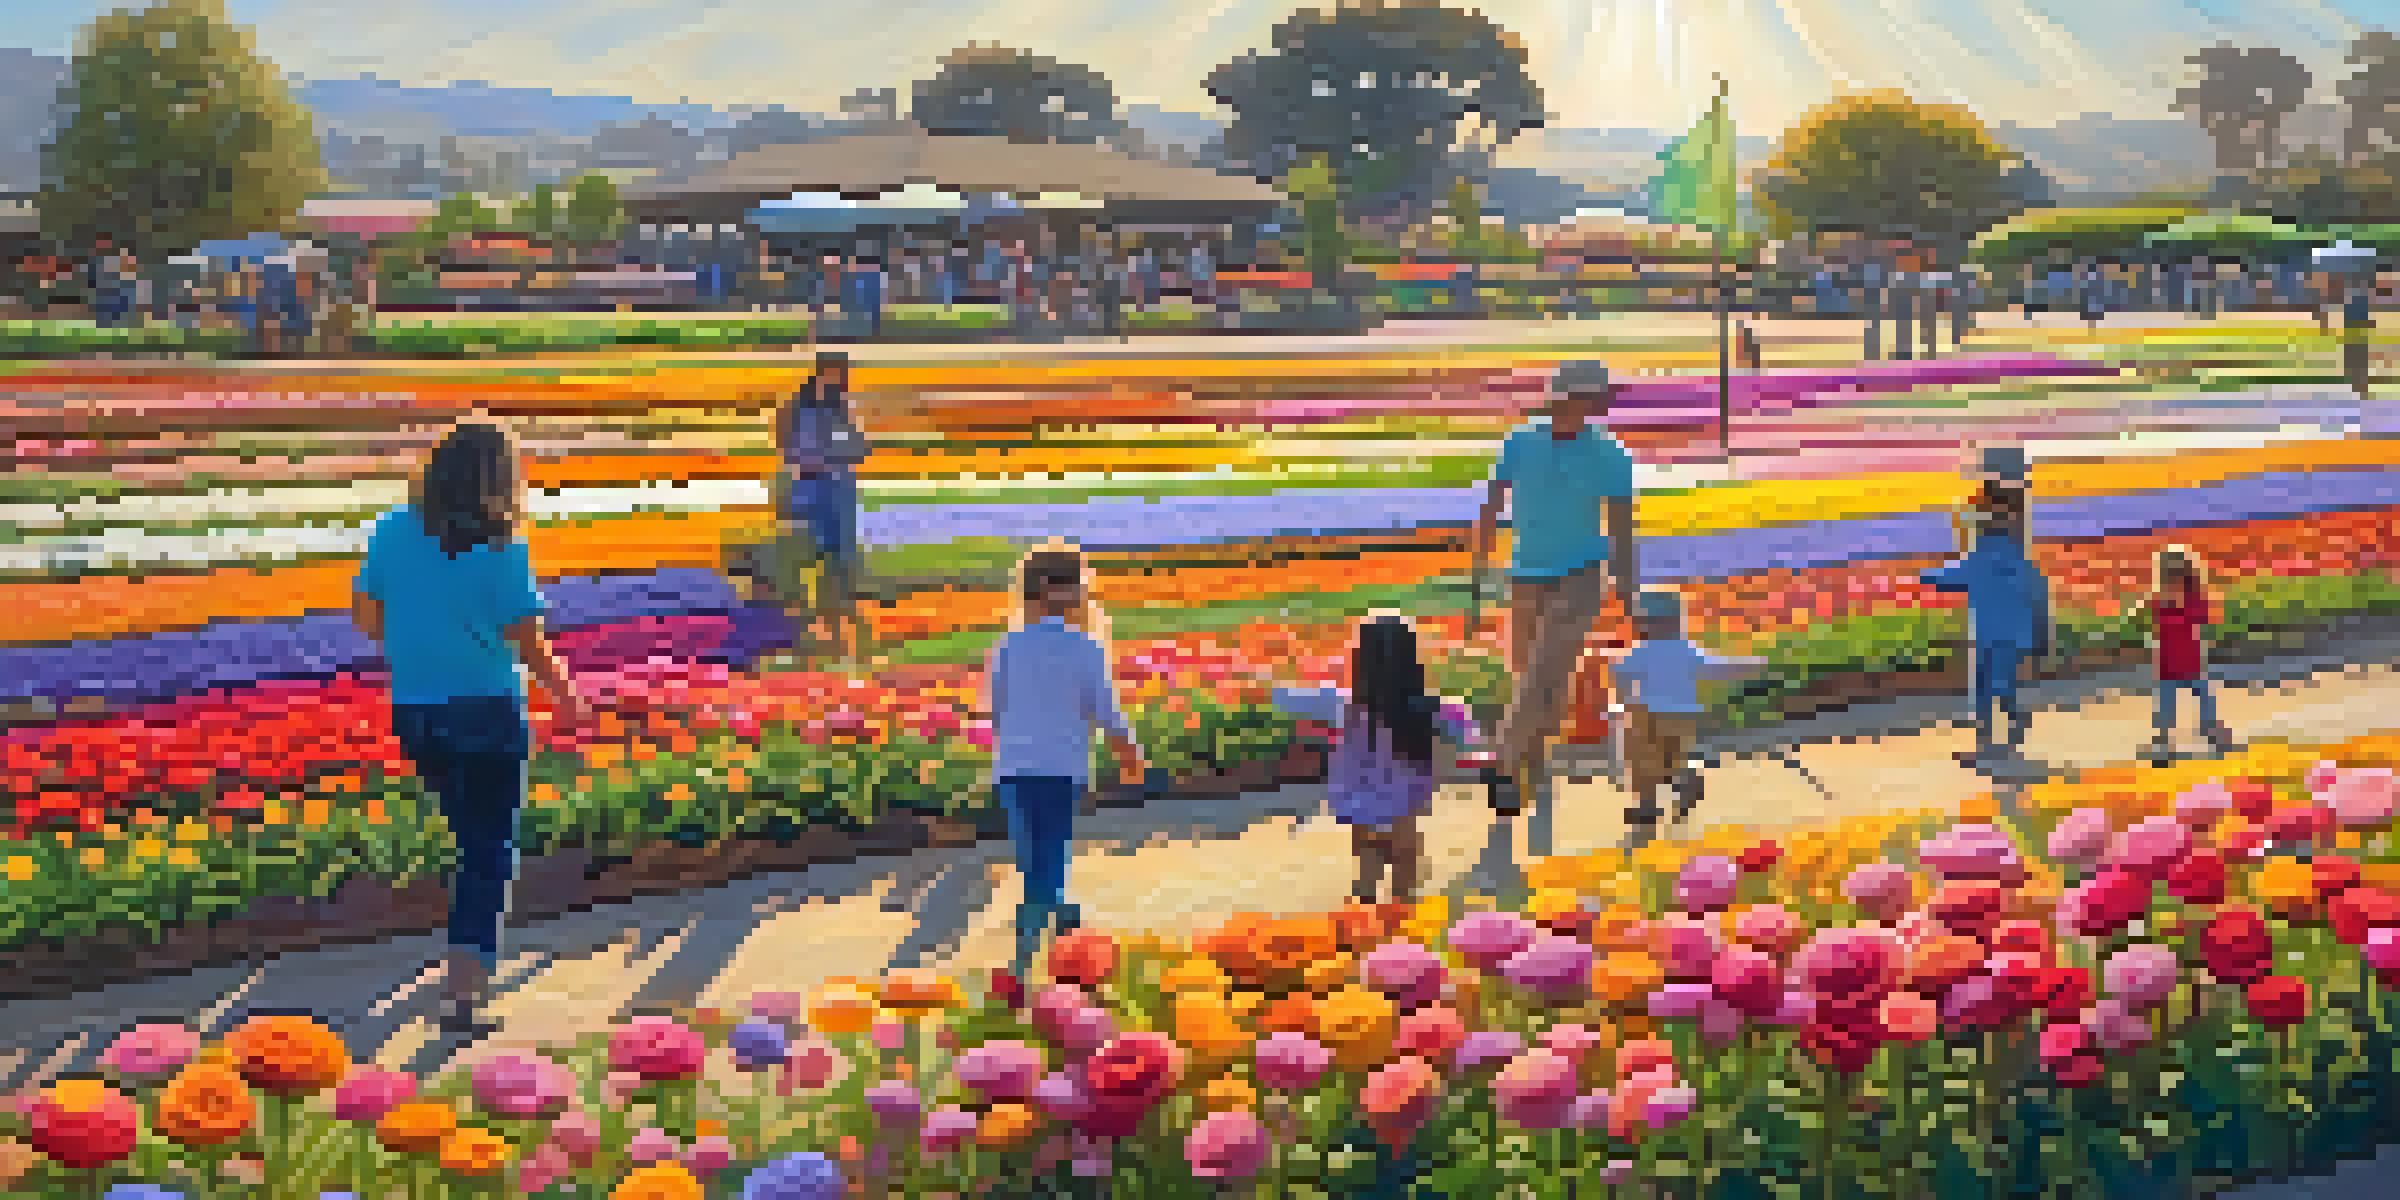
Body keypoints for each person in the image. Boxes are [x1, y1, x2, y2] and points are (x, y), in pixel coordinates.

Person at [351, 423, 591, 1032]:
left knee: (470, 837)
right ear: (496, 480)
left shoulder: (391, 531)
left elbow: (367, 620)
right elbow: (527, 640)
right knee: (488, 851)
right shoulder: (503, 545)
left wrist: (421, 635)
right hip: (485, 707)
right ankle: (463, 993)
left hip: (415, 708)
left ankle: (466, 946)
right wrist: (566, 694)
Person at [1474, 359, 1639, 814]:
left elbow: (1622, 525)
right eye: (1590, 395)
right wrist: (1478, 574)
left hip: (1582, 573)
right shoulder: (1522, 442)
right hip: (1526, 573)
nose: (1597, 404)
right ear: (1566, 397)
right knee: (1531, 676)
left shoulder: (1608, 452)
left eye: (1598, 397)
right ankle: (1533, 765)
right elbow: (1492, 504)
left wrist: (1627, 585)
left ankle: (1503, 763)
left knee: (1545, 669)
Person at [985, 541, 1147, 975]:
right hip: (1061, 768)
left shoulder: (1007, 646)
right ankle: (1043, 946)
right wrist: (1131, 755)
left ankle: (1040, 938)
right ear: (1079, 594)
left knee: (1032, 856)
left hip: (1014, 769)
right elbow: (1107, 712)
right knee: (1049, 857)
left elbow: (995, 709)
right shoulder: (1085, 648)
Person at [1274, 614, 1484, 904]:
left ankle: (1363, 922)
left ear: (1360, 662)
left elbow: (1286, 698)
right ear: (1412, 662)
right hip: (1403, 808)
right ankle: (1401, 924)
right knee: (1405, 871)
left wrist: (1268, 674)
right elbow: (1468, 733)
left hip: (1358, 807)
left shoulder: (1342, 704)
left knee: (1366, 868)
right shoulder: (1430, 710)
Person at [1922, 447, 2052, 768]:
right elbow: (2037, 594)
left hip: (1986, 635)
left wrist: (1925, 575)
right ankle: (2005, 733)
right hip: (2008, 634)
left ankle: (1992, 741)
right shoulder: (2019, 558)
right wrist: (2040, 634)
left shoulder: (1981, 555)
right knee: (1998, 687)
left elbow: (1952, 576)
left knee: (1983, 689)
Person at [1595, 587, 1766, 829]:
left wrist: (1622, 702)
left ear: (1643, 624)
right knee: (1676, 757)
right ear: (1677, 622)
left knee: (1643, 761)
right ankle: (1686, 780)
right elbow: (1715, 669)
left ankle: (1647, 806)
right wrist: (1749, 666)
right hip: (1682, 714)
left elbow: (1619, 674)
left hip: (1644, 714)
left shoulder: (1639, 651)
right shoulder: (1686, 650)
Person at [772, 351, 872, 665]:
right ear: (822, 372)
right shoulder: (799, 408)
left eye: (843, 376)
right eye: (837, 374)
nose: (841, 382)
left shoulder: (840, 408)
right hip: (812, 488)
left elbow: (857, 446)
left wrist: (850, 450)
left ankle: (837, 626)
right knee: (810, 558)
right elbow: (788, 449)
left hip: (837, 489)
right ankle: (812, 628)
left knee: (839, 562)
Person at [2133, 545, 2236, 764]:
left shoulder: (2193, 598)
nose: (2173, 584)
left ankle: (2210, 730)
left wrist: (2178, 604)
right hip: (2167, 663)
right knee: (2165, 704)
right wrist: (2152, 606)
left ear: (2187, 577)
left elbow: (2202, 616)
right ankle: (2162, 741)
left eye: (2178, 577)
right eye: (2168, 578)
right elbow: (2149, 620)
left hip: (2191, 661)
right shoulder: (2159, 601)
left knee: (2205, 697)